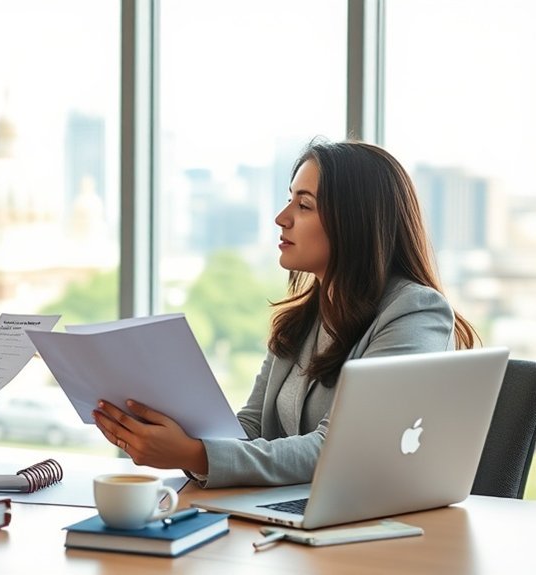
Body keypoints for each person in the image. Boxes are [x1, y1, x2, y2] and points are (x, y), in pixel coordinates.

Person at [92, 139, 478, 488]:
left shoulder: (414, 312)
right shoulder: (303, 319)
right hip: (296, 511)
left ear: (355, 222)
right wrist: (175, 435)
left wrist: (197, 454)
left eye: (304, 205)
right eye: (289, 199)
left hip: (379, 523)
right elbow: (252, 426)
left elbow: (342, 448)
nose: (282, 217)